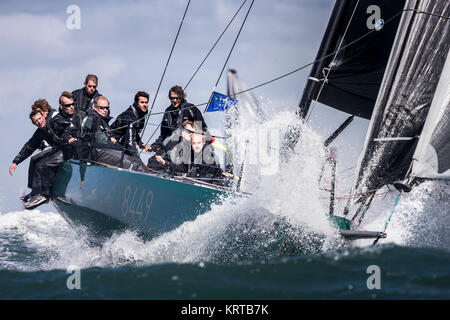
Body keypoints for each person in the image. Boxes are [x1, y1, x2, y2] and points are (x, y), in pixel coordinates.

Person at [9, 109, 64, 209]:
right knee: (34, 159)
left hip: (68, 149)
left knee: (42, 164)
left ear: (44, 116)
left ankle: (43, 195)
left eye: (40, 118)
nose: (39, 122)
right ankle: (35, 191)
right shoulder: (39, 132)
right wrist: (16, 162)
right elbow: (29, 147)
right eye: (36, 121)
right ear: (33, 123)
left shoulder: (54, 123)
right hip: (57, 149)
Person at [79, 96, 148, 172]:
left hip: (103, 150)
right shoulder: (92, 118)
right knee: (133, 164)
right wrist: (112, 141)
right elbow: (101, 141)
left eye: (107, 108)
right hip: (97, 152)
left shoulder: (101, 119)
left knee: (133, 160)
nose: (105, 110)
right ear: (94, 107)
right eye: (102, 108)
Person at [149, 86, 209, 153]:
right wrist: (153, 146)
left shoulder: (191, 109)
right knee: (155, 159)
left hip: (190, 146)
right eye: (172, 98)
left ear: (182, 97)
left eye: (177, 98)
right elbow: (163, 135)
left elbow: (202, 129)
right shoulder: (168, 112)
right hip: (172, 147)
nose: (175, 100)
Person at [110, 91, 151, 156]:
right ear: (137, 103)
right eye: (142, 102)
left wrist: (139, 142)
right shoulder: (130, 116)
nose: (145, 105)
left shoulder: (140, 114)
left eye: (146, 102)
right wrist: (137, 160)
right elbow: (130, 141)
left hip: (122, 146)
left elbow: (133, 131)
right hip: (113, 145)